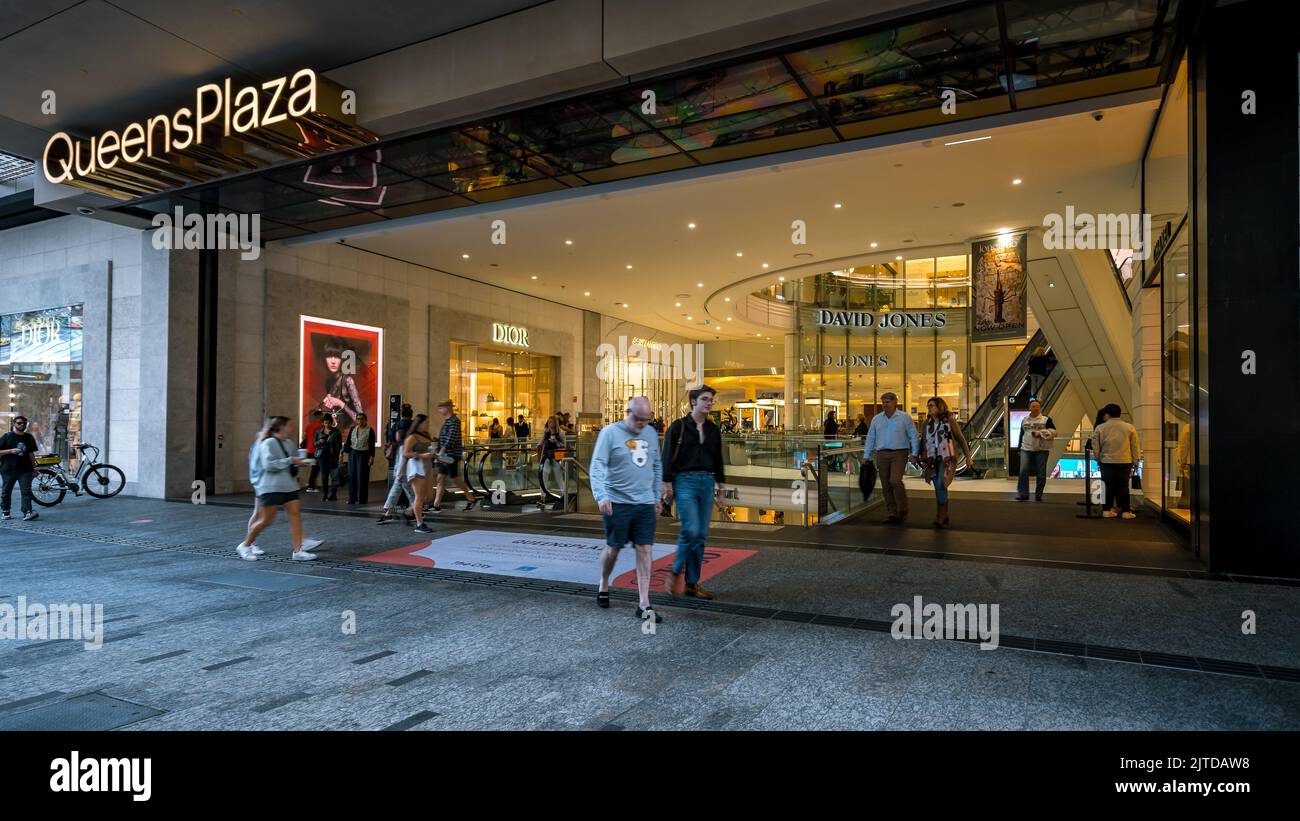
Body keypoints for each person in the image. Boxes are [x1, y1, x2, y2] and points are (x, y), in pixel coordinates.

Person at [589, 396, 663, 623]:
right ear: (627, 411)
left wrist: (656, 495)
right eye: (638, 419)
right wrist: (601, 495)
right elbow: (597, 466)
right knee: (613, 550)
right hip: (617, 502)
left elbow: (656, 464)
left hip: (643, 503)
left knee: (645, 549)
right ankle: (603, 582)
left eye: (646, 420)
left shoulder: (650, 433)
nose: (642, 424)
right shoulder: (610, 433)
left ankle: (644, 603)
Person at [661, 385, 727, 600]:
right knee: (690, 530)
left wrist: (721, 487)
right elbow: (667, 455)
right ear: (693, 402)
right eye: (705, 399)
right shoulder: (678, 426)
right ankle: (675, 571)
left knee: (700, 536)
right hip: (685, 481)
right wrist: (668, 484)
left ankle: (692, 584)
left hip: (707, 482)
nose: (709, 403)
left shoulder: (712, 429)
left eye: (711, 400)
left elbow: (718, 459)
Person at [237, 416, 322, 561]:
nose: (292, 428)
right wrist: (290, 461)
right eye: (290, 425)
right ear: (281, 427)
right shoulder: (268, 443)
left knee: (295, 515)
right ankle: (245, 545)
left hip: (289, 486)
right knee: (266, 520)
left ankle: (298, 551)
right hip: (270, 487)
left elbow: (291, 462)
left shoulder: (289, 443)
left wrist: (300, 463)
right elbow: (268, 464)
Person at [864, 391, 920, 524]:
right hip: (882, 453)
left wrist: (914, 453)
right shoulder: (877, 419)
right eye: (883, 402)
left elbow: (913, 435)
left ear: (895, 402)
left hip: (899, 452)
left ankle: (903, 509)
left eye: (887, 402)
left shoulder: (904, 418)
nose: (884, 405)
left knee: (895, 480)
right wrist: (866, 455)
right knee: (885, 484)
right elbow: (871, 438)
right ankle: (892, 513)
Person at [921, 397, 971, 528]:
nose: (929, 408)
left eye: (931, 405)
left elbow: (960, 439)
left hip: (947, 458)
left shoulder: (949, 421)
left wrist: (968, 456)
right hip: (932, 459)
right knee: (938, 486)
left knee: (940, 483)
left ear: (939, 406)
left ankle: (941, 515)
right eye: (928, 406)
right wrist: (919, 455)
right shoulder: (926, 424)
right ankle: (943, 514)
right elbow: (923, 441)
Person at [1091, 403, 1141, 519]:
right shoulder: (1129, 427)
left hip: (1106, 461)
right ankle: (1125, 511)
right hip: (1125, 460)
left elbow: (1095, 445)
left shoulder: (1100, 428)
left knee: (1107, 486)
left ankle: (1106, 510)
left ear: (1107, 414)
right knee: (1123, 486)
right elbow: (1135, 446)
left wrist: (1098, 458)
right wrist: (1135, 460)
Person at [432, 400, 481, 512]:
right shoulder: (448, 421)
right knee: (440, 478)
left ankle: (470, 498)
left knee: (453, 477)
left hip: (450, 455)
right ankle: (436, 504)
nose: (439, 410)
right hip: (445, 455)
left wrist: (442, 450)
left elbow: (451, 438)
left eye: (441, 408)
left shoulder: (454, 421)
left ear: (448, 408)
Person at [1016, 400, 1057, 501]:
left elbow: (1054, 432)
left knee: (1041, 472)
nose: (1035, 408)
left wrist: (1041, 433)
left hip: (1041, 450)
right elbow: (1022, 434)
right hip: (1025, 448)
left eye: (1038, 407)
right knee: (1023, 471)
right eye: (1033, 406)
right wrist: (1019, 447)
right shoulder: (1024, 420)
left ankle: (1038, 494)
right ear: (1029, 408)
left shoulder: (1046, 419)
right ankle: (1023, 494)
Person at [0, 416, 39, 521]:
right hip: (8, 469)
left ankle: (27, 512)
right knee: (6, 491)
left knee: (26, 491)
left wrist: (34, 468)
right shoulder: (7, 436)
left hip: (25, 470)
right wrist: (10, 451)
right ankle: (5, 511)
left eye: (24, 423)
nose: (22, 425)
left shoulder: (29, 437)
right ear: (14, 424)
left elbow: (31, 453)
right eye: (19, 423)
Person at [403, 414, 437, 533]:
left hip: (427, 467)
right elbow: (405, 453)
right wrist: (421, 455)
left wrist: (435, 454)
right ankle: (419, 523)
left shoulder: (427, 435)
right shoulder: (412, 437)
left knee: (429, 496)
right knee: (420, 496)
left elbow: (431, 450)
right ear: (419, 424)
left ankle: (410, 510)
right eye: (426, 422)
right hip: (416, 468)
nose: (428, 424)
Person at [320, 337, 364, 424]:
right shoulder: (329, 382)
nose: (333, 361)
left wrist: (341, 404)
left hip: (349, 433)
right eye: (329, 356)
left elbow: (361, 420)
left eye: (337, 357)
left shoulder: (348, 381)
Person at [345, 412, 377, 505]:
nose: (360, 420)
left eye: (362, 419)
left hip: (364, 455)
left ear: (365, 420)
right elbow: (348, 443)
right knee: (352, 476)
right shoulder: (353, 429)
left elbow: (371, 446)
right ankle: (352, 499)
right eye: (358, 419)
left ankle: (362, 500)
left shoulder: (370, 430)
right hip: (353, 454)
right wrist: (341, 453)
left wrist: (372, 457)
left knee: (362, 477)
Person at [539, 415, 567, 508]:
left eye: (552, 422)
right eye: (549, 422)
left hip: (556, 457)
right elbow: (541, 443)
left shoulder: (561, 433)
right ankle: (542, 497)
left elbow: (563, 445)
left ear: (556, 423)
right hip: (546, 457)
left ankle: (564, 496)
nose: (550, 424)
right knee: (544, 476)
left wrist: (556, 442)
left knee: (559, 477)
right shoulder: (546, 433)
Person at [313, 414, 343, 501]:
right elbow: (314, 444)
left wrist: (340, 454)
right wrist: (319, 441)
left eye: (329, 423)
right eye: (326, 423)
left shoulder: (336, 432)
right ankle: (325, 494)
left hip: (333, 456)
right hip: (322, 457)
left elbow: (340, 444)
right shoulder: (319, 432)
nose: (327, 425)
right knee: (324, 476)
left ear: (332, 422)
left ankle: (333, 494)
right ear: (323, 423)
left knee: (334, 477)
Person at [303, 410, 325, 492]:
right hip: (317, 450)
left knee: (313, 468)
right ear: (319, 416)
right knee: (316, 469)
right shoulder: (321, 426)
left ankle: (310, 484)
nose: (323, 417)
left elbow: (304, 437)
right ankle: (310, 486)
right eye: (322, 415)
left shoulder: (309, 425)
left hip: (309, 451)